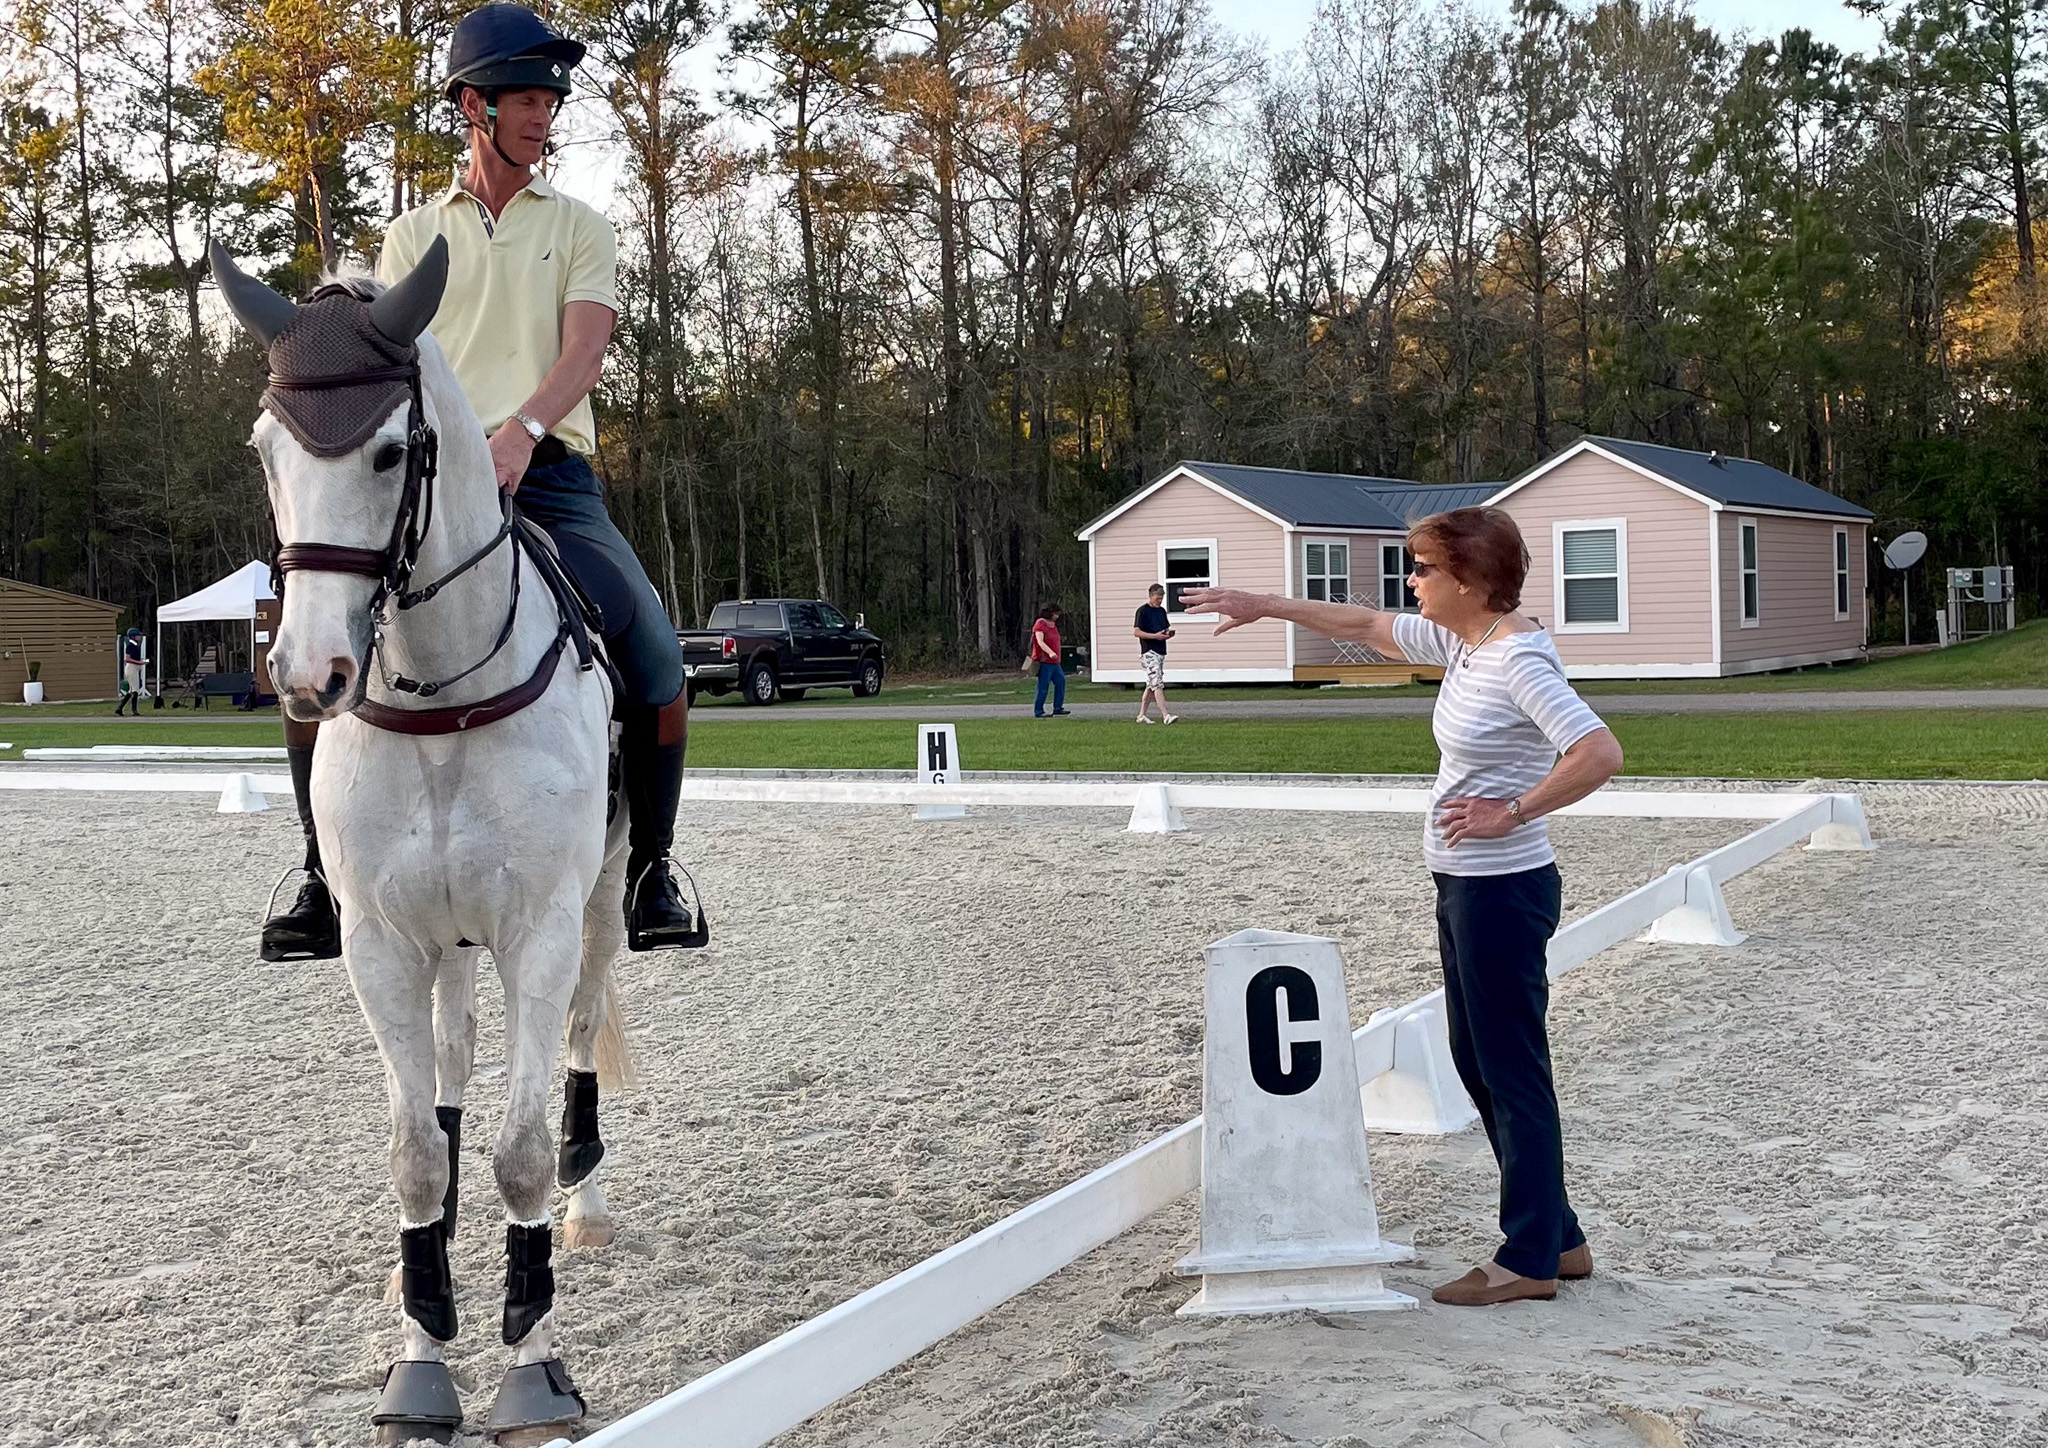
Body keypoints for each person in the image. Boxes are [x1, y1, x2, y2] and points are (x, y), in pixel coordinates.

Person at [260, 2, 701, 961]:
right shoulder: (410, 236)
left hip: (550, 481)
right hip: (430, 493)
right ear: (474, 106)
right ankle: (315, 873)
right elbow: (390, 370)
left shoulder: (580, 226)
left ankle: (653, 871)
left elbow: (585, 352)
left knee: (660, 656)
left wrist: (523, 431)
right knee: (318, 643)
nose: (545, 114)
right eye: (526, 97)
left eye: (551, 98)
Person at [1182, 506, 1624, 1308]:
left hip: (1503, 890)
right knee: (1478, 1063)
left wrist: (1512, 811)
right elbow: (1360, 622)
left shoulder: (1518, 659)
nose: (1409, 581)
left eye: (1421, 568)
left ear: (1470, 579)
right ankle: (1560, 1239)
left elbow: (1599, 751)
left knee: (1510, 1071)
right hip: (1467, 886)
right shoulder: (1465, 641)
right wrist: (1265, 605)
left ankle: (1527, 1256)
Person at [1131, 583, 1176, 724]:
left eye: (1161, 598)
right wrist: (1154, 636)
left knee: (1151, 684)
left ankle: (1141, 715)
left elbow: (1164, 628)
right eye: (1157, 598)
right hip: (1149, 651)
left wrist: (1166, 635)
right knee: (1157, 683)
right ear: (1151, 596)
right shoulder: (1142, 611)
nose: (1160, 601)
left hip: (1161, 650)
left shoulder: (1161, 611)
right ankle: (1165, 715)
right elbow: (1136, 632)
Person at [1030, 606, 1070, 717]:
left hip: (1055, 663)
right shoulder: (1040, 623)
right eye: (1055, 614)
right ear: (1049, 613)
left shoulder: (1053, 626)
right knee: (1043, 686)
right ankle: (1039, 711)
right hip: (1044, 661)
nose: (1057, 616)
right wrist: (1050, 652)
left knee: (1061, 682)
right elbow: (1040, 642)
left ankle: (1058, 707)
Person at [114, 628, 148, 715]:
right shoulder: (130, 646)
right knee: (135, 690)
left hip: (135, 668)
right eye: (137, 635)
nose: (139, 637)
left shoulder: (135, 645)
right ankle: (134, 710)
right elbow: (127, 659)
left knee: (131, 690)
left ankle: (120, 708)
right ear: (133, 637)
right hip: (131, 668)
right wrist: (139, 662)